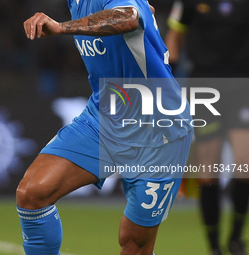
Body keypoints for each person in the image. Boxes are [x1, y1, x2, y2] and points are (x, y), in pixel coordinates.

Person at [17, 0, 193, 254]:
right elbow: (139, 11)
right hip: (104, 117)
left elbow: (130, 16)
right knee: (32, 193)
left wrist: (61, 28)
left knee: (135, 242)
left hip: (160, 129)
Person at [165, 1, 249, 255]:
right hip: (204, 87)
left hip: (242, 84)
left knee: (245, 165)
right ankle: (213, 246)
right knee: (208, 171)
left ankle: (235, 236)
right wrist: (167, 76)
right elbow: (175, 35)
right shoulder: (189, 2)